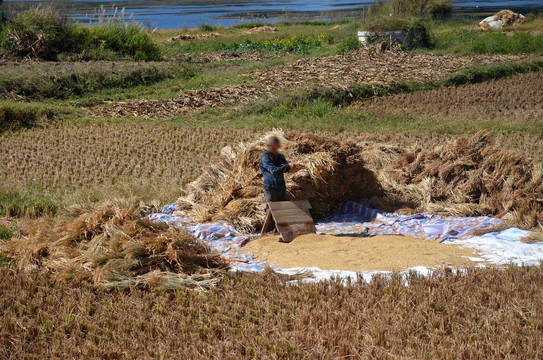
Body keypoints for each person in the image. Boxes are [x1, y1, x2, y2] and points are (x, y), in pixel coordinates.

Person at [260, 136, 301, 203]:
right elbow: (273, 170)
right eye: (273, 148)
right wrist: (288, 166)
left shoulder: (280, 156)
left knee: (283, 209)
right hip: (271, 189)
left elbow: (285, 167)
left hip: (281, 187)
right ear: (268, 146)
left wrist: (294, 167)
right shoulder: (265, 157)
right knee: (271, 209)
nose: (274, 150)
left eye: (276, 148)